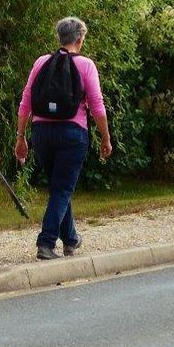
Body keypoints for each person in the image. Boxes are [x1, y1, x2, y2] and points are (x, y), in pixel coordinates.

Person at [15, 16, 112, 260]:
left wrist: (20, 136)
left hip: (42, 133)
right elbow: (97, 106)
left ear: (60, 37)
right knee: (62, 188)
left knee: (59, 187)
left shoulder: (41, 62)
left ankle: (70, 239)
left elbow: (26, 101)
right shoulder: (86, 65)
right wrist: (105, 137)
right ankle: (46, 242)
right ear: (80, 39)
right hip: (72, 133)